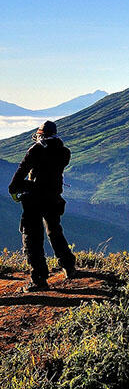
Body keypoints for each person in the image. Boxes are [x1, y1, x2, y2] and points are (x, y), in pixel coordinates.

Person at [8, 120, 77, 292]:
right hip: (53, 197)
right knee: (54, 230)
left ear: (40, 134)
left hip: (34, 200)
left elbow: (21, 172)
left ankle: (39, 278)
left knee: (32, 237)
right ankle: (69, 266)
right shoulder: (64, 152)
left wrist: (15, 188)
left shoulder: (36, 150)